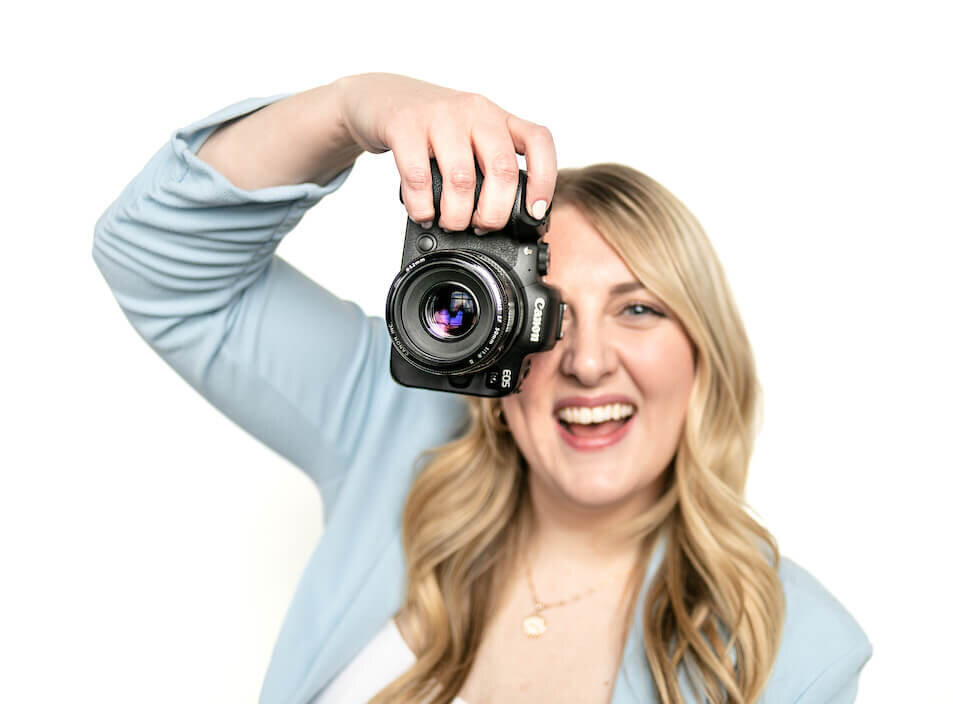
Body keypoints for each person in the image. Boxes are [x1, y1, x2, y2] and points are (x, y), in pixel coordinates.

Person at [92, 72, 872, 704]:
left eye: (638, 308)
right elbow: (152, 256)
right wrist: (352, 108)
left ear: (704, 353)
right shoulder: (395, 428)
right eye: (547, 313)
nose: (589, 360)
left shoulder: (800, 650)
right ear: (487, 348)